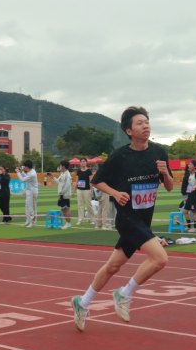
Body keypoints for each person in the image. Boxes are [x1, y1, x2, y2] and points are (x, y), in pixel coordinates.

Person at [71, 106, 173, 332]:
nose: (145, 126)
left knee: (113, 266)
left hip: (143, 219)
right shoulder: (120, 156)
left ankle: (82, 302)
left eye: (146, 121)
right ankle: (124, 293)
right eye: (139, 123)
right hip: (127, 218)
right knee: (160, 259)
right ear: (129, 131)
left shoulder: (159, 153)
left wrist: (165, 173)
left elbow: (169, 187)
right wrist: (116, 193)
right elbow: (97, 181)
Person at [181, 160, 196, 233]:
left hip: (195, 195)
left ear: (195, 166)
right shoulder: (190, 174)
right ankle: (189, 227)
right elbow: (189, 185)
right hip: (190, 194)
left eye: (191, 164)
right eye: (189, 164)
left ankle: (195, 228)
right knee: (185, 211)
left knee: (194, 211)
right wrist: (187, 195)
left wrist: (195, 187)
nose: (189, 165)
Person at [49, 160, 72, 229]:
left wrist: (61, 193)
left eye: (60, 165)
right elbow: (58, 182)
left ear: (63, 166)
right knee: (63, 209)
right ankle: (67, 223)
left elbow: (67, 186)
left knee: (66, 209)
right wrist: (52, 177)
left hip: (65, 195)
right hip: (62, 194)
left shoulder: (67, 175)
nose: (60, 167)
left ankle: (68, 223)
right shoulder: (62, 173)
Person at [16, 160, 39, 227]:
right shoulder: (30, 171)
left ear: (27, 167)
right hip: (29, 190)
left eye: (25, 166)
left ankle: (33, 222)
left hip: (33, 191)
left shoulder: (32, 173)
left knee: (31, 207)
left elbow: (22, 180)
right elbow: (26, 176)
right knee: (27, 206)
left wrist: (18, 172)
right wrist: (21, 172)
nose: (24, 168)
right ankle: (28, 221)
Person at [75, 158, 94, 226]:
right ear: (80, 163)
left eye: (84, 161)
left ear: (86, 162)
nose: (83, 163)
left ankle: (91, 220)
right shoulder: (78, 171)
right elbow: (77, 181)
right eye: (81, 161)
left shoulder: (89, 171)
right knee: (80, 205)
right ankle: (80, 220)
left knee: (88, 205)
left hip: (87, 190)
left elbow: (91, 181)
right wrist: (74, 190)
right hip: (79, 190)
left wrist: (91, 190)